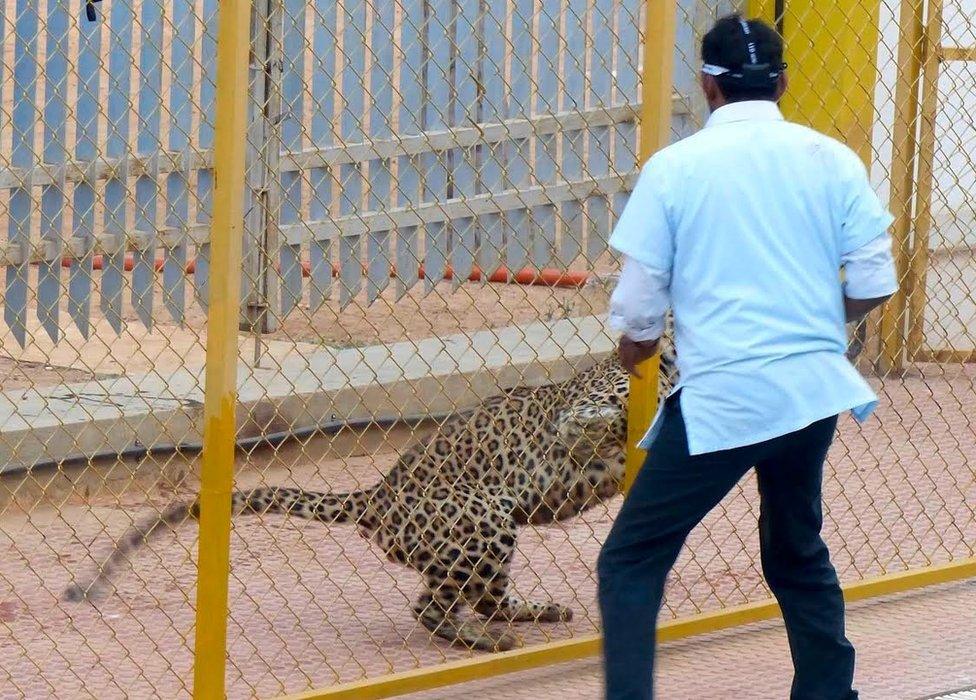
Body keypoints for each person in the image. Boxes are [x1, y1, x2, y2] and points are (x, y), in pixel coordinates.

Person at [597, 14, 898, 700]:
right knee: (795, 549)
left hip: (728, 398)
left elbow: (640, 307)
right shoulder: (831, 158)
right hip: (815, 389)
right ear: (783, 81)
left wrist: (633, 352)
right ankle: (829, 693)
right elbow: (876, 282)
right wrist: (820, 322)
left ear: (707, 85)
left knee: (631, 559)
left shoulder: (675, 169)